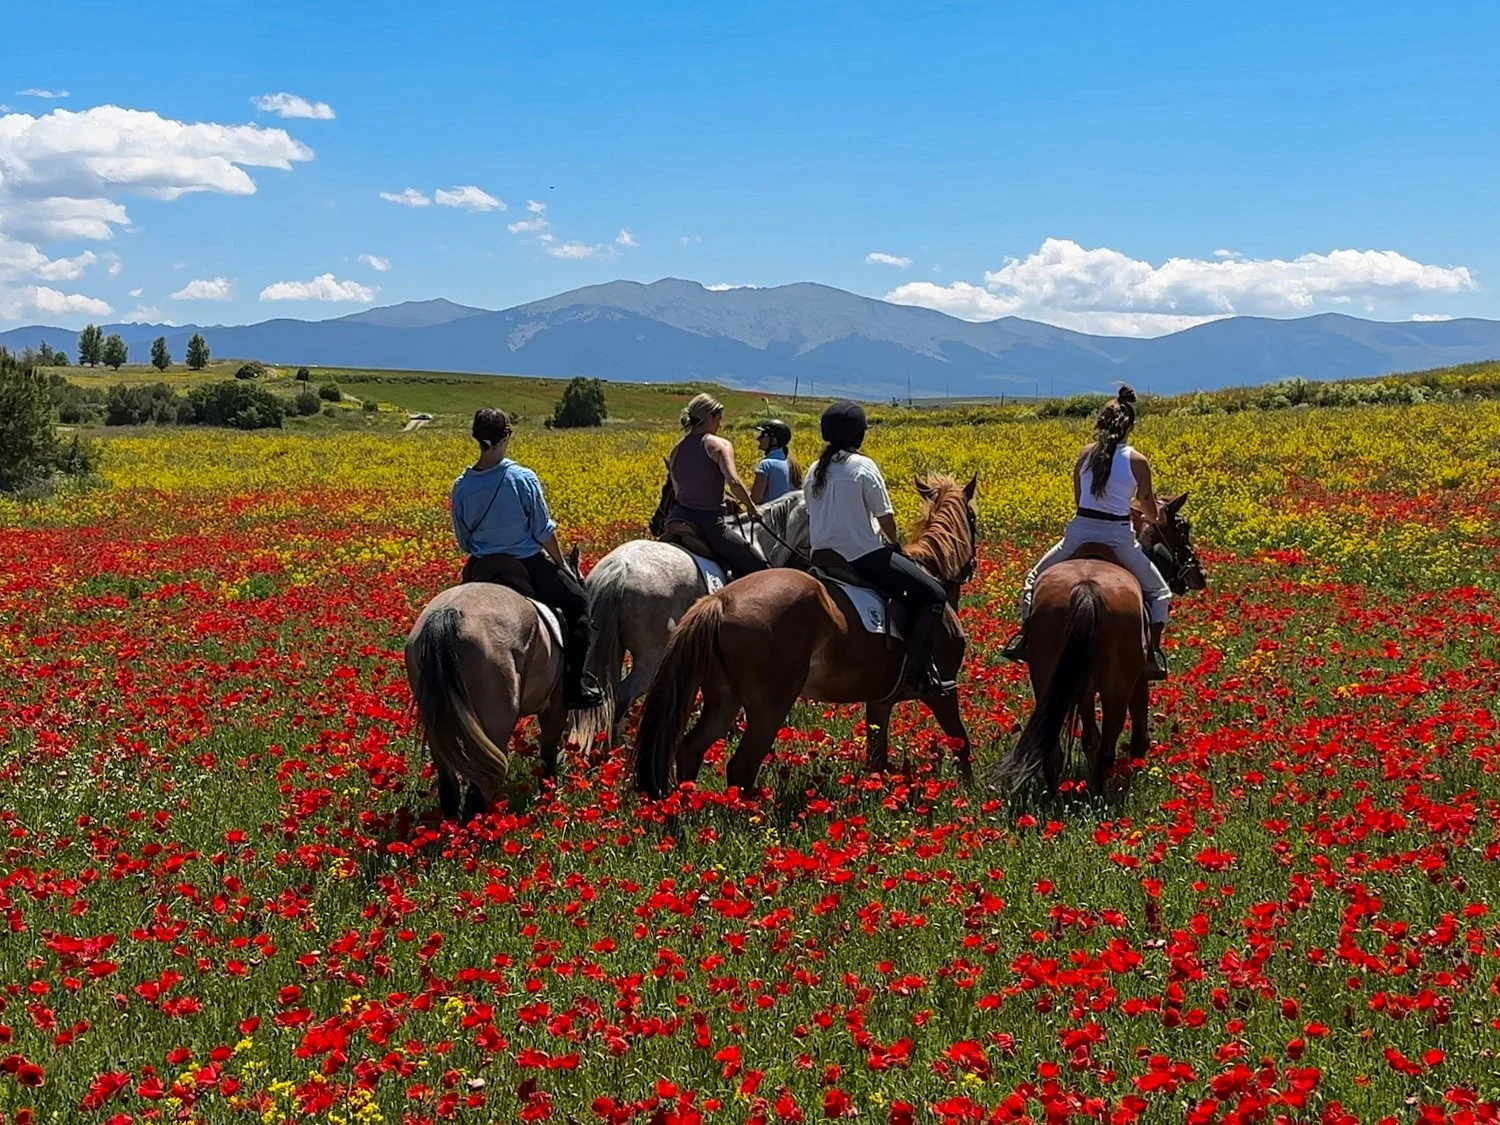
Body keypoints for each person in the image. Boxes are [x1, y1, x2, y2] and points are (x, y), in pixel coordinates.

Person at [1001, 385, 1172, 679]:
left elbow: (1079, 500)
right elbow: (1149, 511)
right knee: (1160, 592)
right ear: (1130, 426)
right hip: (1118, 538)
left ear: (1101, 423)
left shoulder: (1084, 455)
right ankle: (1150, 656)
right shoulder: (1138, 461)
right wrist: (1148, 513)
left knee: (1032, 580)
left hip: (1079, 532)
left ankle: (1026, 639)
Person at [451, 408, 604, 709]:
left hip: (481, 566)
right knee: (579, 606)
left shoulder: (461, 487)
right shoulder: (522, 478)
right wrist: (562, 566)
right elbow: (543, 531)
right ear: (506, 436)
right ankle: (574, 688)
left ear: (476, 438)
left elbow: (463, 541)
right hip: (527, 564)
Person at [805, 400, 955, 697]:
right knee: (934, 596)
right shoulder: (863, 466)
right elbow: (885, 517)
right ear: (858, 435)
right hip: (861, 556)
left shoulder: (814, 469)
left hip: (821, 556)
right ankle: (917, 675)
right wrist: (894, 543)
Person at [666, 393, 768, 578]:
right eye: (718, 418)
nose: (719, 424)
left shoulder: (676, 449)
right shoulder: (718, 445)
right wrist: (751, 508)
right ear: (709, 417)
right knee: (760, 569)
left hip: (675, 518)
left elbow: (679, 489)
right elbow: (734, 481)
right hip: (708, 524)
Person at [750, 419, 802, 504]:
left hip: (771, 515)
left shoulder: (766, 465)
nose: (758, 439)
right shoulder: (792, 463)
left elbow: (755, 499)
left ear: (773, 440)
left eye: (763, 435)